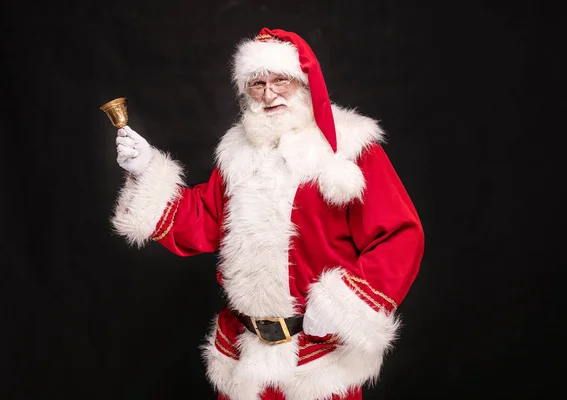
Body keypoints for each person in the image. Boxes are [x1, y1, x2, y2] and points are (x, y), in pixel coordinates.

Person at [110, 27, 425, 400]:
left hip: (318, 360)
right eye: (257, 84)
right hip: (246, 358)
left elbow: (400, 235)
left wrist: (342, 306)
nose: (268, 93)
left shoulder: (350, 148)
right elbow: (203, 220)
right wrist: (147, 169)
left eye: (280, 81)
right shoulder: (236, 152)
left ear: (305, 83)